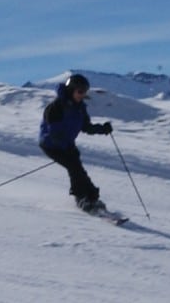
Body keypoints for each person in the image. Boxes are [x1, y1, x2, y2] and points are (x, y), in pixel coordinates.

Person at [38, 73, 114, 213]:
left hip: (67, 144)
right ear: (71, 90)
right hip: (51, 145)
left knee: (78, 168)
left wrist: (103, 129)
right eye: (80, 91)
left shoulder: (80, 108)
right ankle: (81, 198)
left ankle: (91, 197)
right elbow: (53, 132)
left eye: (84, 92)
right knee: (74, 167)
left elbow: (86, 127)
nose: (82, 95)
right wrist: (65, 147)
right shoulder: (56, 107)